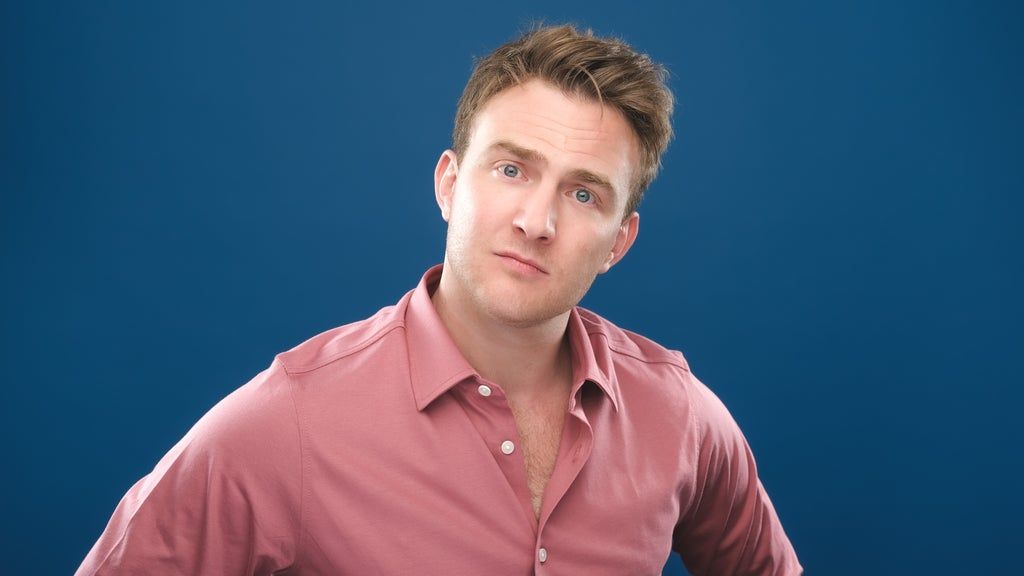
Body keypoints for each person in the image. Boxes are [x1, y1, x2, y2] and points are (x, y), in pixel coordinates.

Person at [77, 24, 802, 575]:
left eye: (583, 194)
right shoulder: (287, 422)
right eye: (512, 169)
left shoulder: (680, 417)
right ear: (450, 185)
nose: (537, 221)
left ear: (619, 241)